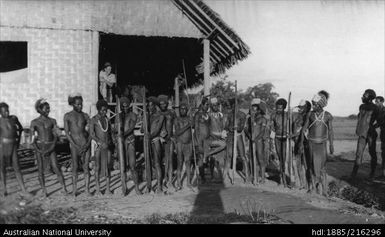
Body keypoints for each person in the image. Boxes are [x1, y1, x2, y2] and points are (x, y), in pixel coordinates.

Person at [30, 99, 68, 197]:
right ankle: (44, 191)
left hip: (51, 146)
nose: (48, 110)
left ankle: (64, 188)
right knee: (40, 169)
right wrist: (38, 150)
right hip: (40, 147)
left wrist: (51, 147)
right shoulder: (34, 122)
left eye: (49, 109)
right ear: (40, 109)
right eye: (46, 109)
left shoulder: (52, 121)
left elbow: (56, 136)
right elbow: (32, 139)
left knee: (56, 167)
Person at [305, 91, 334, 196]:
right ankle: (312, 187)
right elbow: (305, 128)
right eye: (313, 104)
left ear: (321, 104)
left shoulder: (328, 116)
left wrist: (331, 144)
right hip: (312, 144)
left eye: (316, 104)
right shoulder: (310, 115)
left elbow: (330, 131)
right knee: (312, 165)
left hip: (322, 145)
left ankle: (324, 190)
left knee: (322, 167)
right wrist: (303, 138)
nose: (313, 106)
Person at [64, 94, 91, 197]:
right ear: (72, 104)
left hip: (85, 144)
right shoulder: (68, 116)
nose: (80, 106)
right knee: (75, 167)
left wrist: (88, 143)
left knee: (86, 167)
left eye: (81, 104)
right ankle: (75, 190)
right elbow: (67, 132)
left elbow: (90, 131)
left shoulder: (85, 116)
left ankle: (87, 190)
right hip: (74, 145)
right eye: (78, 104)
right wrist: (73, 144)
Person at [0, 102, 27, 196]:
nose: (7, 113)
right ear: (0, 112)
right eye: (4, 112)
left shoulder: (13, 118)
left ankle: (23, 189)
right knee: (2, 168)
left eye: (7, 111)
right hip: (2, 147)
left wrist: (18, 140)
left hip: (13, 145)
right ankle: (4, 189)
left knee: (17, 167)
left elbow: (20, 128)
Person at [351, 89, 379, 180]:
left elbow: (380, 121)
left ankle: (372, 173)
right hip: (361, 133)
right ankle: (354, 174)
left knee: (372, 153)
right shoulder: (361, 106)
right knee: (358, 154)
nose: (363, 96)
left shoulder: (375, 108)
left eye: (365, 95)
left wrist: (372, 127)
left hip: (370, 134)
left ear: (370, 97)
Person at [90, 100, 113, 195]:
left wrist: (111, 142)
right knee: (97, 167)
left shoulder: (107, 119)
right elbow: (91, 134)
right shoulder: (94, 120)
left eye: (106, 110)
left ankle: (108, 189)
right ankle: (98, 189)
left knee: (108, 167)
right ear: (98, 109)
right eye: (103, 110)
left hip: (107, 147)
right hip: (98, 147)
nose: (104, 112)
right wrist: (100, 142)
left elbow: (110, 133)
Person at [120, 96, 142, 195]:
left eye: (126, 106)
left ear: (129, 106)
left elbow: (132, 127)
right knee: (123, 166)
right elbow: (116, 128)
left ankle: (137, 188)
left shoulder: (133, 115)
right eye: (123, 106)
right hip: (121, 142)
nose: (125, 108)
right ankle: (124, 188)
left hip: (130, 141)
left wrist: (123, 134)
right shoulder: (119, 116)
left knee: (132, 166)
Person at [225, 98, 249, 184]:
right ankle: (225, 175)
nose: (234, 107)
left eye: (236, 105)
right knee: (229, 156)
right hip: (230, 136)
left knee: (242, 156)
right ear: (231, 106)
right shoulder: (229, 114)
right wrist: (230, 128)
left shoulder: (242, 115)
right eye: (233, 105)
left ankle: (247, 175)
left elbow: (242, 127)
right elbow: (226, 125)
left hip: (238, 136)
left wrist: (237, 128)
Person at [245, 99, 269, 184]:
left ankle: (262, 178)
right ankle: (254, 176)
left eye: (255, 107)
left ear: (259, 108)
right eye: (253, 106)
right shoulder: (250, 118)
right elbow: (246, 129)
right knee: (252, 158)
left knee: (260, 159)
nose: (254, 108)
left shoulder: (263, 119)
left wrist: (256, 139)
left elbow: (262, 131)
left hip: (259, 142)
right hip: (252, 141)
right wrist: (249, 136)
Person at [204, 97, 227, 180]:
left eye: (216, 105)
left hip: (220, 138)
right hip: (212, 138)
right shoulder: (208, 115)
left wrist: (223, 133)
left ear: (218, 105)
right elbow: (207, 127)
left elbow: (223, 126)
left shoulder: (221, 115)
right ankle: (212, 176)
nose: (215, 107)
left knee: (220, 159)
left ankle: (220, 176)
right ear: (211, 106)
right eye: (213, 105)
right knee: (212, 160)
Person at [291, 100, 311, 190]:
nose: (300, 109)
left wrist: (294, 135)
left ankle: (308, 185)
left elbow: (304, 131)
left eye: (302, 107)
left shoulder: (308, 117)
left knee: (306, 164)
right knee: (298, 163)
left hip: (303, 143)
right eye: (299, 107)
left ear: (306, 108)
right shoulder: (298, 116)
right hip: (296, 142)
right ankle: (301, 183)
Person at [158, 95, 176, 189]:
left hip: (170, 139)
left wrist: (173, 135)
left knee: (170, 160)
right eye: (161, 104)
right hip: (160, 140)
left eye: (164, 103)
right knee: (161, 160)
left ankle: (170, 181)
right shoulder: (157, 114)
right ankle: (163, 180)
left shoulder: (171, 113)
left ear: (167, 103)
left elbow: (175, 125)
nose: (163, 105)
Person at [148, 96, 165, 194]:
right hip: (148, 142)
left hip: (156, 141)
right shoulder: (148, 116)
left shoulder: (160, 116)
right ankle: (150, 186)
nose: (149, 107)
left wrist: (150, 135)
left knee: (157, 163)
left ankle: (159, 187)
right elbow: (142, 129)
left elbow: (157, 129)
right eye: (148, 106)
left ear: (155, 106)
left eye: (151, 105)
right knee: (150, 163)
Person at [174, 103, 193, 190]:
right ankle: (179, 183)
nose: (183, 110)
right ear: (179, 110)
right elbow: (177, 132)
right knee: (179, 163)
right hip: (180, 144)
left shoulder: (189, 119)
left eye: (185, 109)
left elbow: (194, 127)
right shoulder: (177, 120)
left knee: (188, 162)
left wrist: (192, 123)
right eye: (181, 109)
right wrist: (188, 126)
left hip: (188, 144)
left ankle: (188, 182)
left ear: (187, 110)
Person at [271, 98, 289, 186]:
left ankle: (284, 177)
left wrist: (291, 134)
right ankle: (281, 177)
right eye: (277, 108)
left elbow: (293, 125)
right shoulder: (274, 116)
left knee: (283, 158)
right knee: (279, 157)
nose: (278, 110)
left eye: (280, 108)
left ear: (284, 108)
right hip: (277, 138)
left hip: (285, 139)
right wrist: (272, 134)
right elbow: (272, 127)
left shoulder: (288, 115)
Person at [194, 97, 210, 183]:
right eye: (207, 105)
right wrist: (198, 143)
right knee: (200, 157)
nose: (208, 106)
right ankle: (202, 178)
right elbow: (196, 129)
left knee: (206, 158)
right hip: (199, 139)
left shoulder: (207, 114)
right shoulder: (198, 114)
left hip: (207, 140)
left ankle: (205, 175)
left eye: (208, 105)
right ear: (202, 104)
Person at [374, 96, 385, 177]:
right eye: (375, 101)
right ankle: (383, 169)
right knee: (383, 151)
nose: (376, 103)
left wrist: (372, 127)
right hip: (383, 134)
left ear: (382, 102)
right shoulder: (378, 111)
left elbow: (380, 122)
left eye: (377, 101)